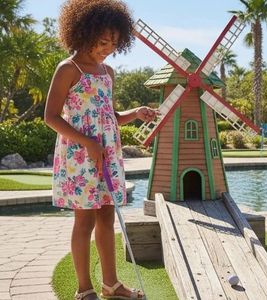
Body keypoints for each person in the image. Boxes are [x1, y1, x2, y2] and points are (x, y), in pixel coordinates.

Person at [44, 1, 156, 299]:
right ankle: (84, 289)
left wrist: (136, 112)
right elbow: (51, 116)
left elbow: (109, 116)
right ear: (83, 32)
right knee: (85, 220)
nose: (107, 48)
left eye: (114, 43)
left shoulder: (107, 71)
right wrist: (88, 142)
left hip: (107, 152)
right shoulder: (68, 69)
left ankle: (111, 285)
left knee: (107, 216)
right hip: (81, 154)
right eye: (103, 41)